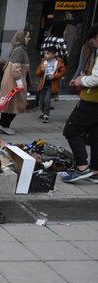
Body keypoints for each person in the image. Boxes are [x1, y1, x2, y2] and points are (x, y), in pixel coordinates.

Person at [61, 24, 98, 183]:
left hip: (92, 102)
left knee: (71, 129)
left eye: (93, 42)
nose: (93, 45)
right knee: (96, 136)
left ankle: (82, 167)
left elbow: (96, 78)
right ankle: (95, 170)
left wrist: (80, 80)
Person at [0, 29, 30, 136]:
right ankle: (4, 125)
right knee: (16, 105)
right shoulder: (20, 50)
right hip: (14, 82)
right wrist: (19, 82)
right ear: (22, 37)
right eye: (27, 37)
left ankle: (3, 125)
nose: (29, 39)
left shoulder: (17, 48)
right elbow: (16, 68)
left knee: (9, 105)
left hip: (11, 81)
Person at [36, 46, 66, 124]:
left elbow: (62, 72)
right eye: (45, 53)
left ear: (53, 55)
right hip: (43, 83)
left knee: (47, 100)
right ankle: (43, 112)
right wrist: (41, 70)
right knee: (41, 100)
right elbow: (38, 73)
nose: (46, 55)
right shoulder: (43, 61)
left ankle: (46, 115)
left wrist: (54, 76)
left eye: (48, 54)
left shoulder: (58, 62)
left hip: (51, 84)